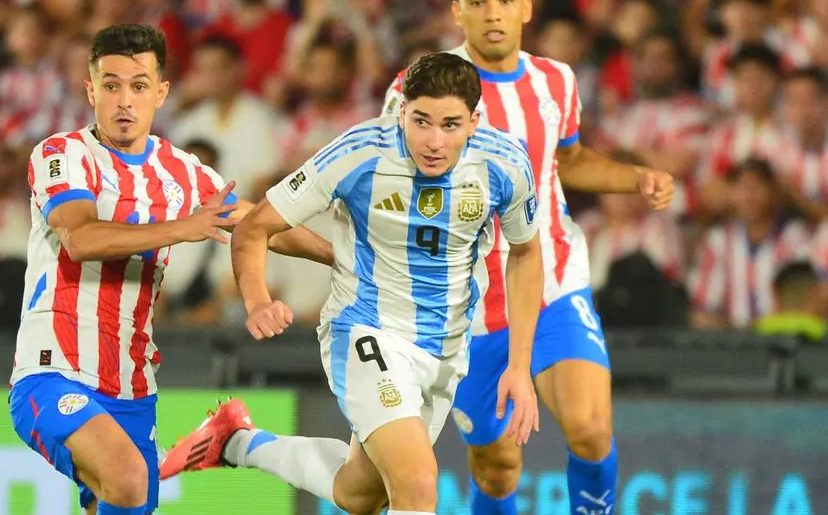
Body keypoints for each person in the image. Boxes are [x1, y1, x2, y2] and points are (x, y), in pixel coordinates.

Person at [160, 52, 545, 515]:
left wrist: (519, 366)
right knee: (419, 484)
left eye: (450, 125)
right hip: (366, 332)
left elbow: (525, 253)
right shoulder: (359, 152)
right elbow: (256, 224)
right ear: (401, 110)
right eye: (421, 121)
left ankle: (236, 443)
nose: (434, 141)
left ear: (474, 121)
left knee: (359, 494)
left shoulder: (503, 164)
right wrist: (257, 299)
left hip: (445, 349)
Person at [380, 0, 676, 515]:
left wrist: (634, 177)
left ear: (527, 7)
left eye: (506, 0)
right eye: (478, 1)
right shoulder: (420, 87)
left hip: (554, 282)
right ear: (457, 11)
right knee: (498, 468)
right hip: (466, 310)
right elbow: (388, 181)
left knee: (590, 429)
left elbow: (568, 160)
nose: (494, 14)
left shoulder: (555, 81)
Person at [6, 23, 333, 515]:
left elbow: (259, 223)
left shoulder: (182, 172)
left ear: (161, 93)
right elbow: (81, 238)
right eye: (111, 85)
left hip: (134, 386)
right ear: (90, 89)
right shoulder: (62, 155)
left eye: (138, 86)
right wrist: (183, 226)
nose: (124, 101)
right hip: (53, 370)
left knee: (124, 497)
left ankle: (205, 446)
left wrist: (342, 258)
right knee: (128, 477)